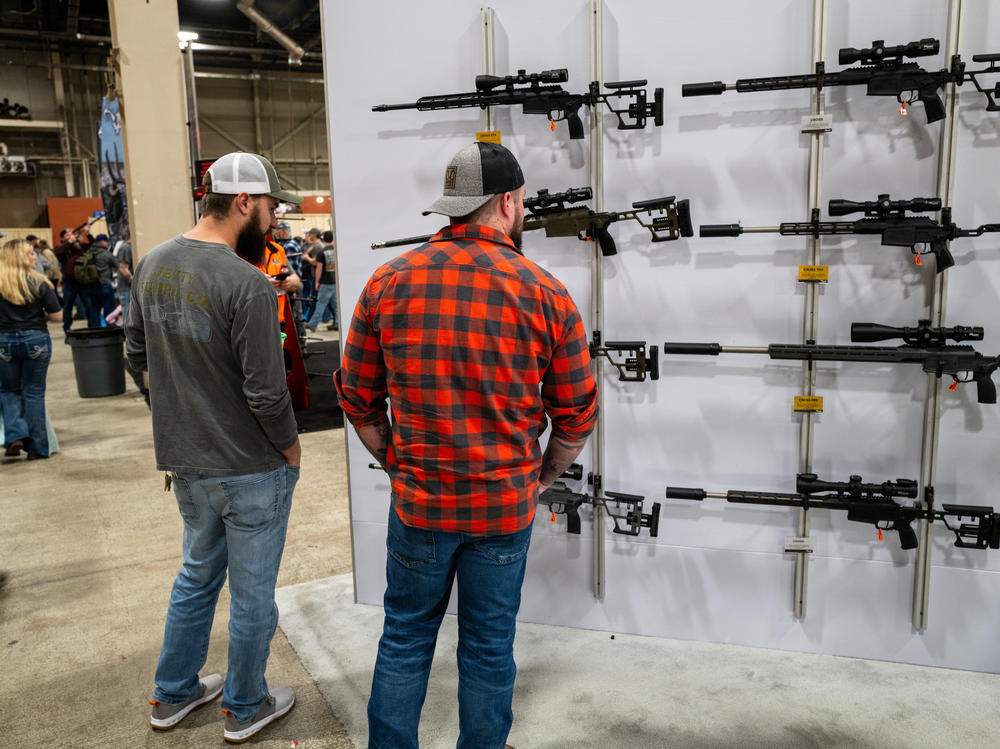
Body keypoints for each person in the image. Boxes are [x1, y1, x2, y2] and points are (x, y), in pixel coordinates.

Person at [335, 141, 599, 748]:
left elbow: (357, 399)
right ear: (507, 203)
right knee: (488, 645)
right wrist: (542, 476)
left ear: (455, 207)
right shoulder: (546, 293)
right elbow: (576, 413)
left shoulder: (388, 281)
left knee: (404, 637)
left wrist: (397, 462)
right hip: (503, 510)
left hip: (420, 505)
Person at [125, 151, 303, 744]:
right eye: (273, 208)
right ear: (244, 202)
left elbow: (135, 355)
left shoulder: (152, 263)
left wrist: (177, 417)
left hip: (187, 465)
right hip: (251, 468)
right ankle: (244, 705)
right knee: (252, 596)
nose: (276, 221)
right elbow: (266, 391)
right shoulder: (247, 283)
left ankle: (173, 694)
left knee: (196, 578)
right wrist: (291, 448)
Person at [0, 238, 62, 460]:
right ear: (20, 257)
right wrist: (37, 314)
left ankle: (15, 434)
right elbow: (57, 316)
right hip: (35, 338)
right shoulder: (40, 282)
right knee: (34, 393)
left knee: (8, 391)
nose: (35, 256)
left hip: (3, 341)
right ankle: (37, 448)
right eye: (30, 254)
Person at [53, 227, 101, 331]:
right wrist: (70, 242)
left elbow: (94, 246)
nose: (70, 236)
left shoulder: (80, 247)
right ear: (62, 238)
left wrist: (88, 233)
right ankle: (67, 329)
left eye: (71, 234)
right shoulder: (61, 248)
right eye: (67, 235)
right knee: (67, 307)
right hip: (68, 283)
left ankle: (93, 328)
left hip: (83, 282)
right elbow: (58, 253)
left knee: (89, 306)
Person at [306, 230, 337, 331]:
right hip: (335, 281)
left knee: (321, 304)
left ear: (323, 239)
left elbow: (319, 269)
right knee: (336, 305)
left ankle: (312, 324)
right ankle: (337, 324)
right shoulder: (336, 250)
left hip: (325, 282)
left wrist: (317, 282)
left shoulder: (322, 252)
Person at [91, 233, 119, 322]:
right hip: (105, 285)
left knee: (94, 311)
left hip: (92, 285)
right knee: (109, 312)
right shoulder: (106, 254)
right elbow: (118, 265)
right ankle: (109, 332)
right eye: (107, 242)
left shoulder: (89, 252)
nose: (108, 244)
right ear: (103, 241)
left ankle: (95, 332)